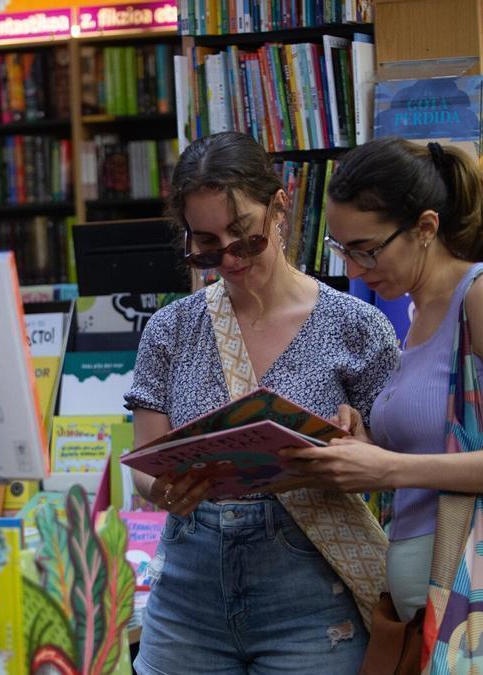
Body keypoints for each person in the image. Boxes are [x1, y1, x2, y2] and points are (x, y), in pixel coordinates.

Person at [124, 131, 398, 675]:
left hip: (312, 599)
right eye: (205, 245)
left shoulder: (356, 328)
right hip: (186, 596)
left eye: (244, 238)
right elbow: (144, 467)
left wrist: (358, 452)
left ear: (279, 207)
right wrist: (169, 488)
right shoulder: (170, 330)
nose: (227, 258)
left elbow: (398, 469)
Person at [282, 137, 483, 625]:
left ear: (425, 228)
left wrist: (387, 468)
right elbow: (435, 454)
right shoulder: (418, 314)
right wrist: (365, 444)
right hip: (442, 615)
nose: (352, 269)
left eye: (366, 250)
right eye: (341, 250)